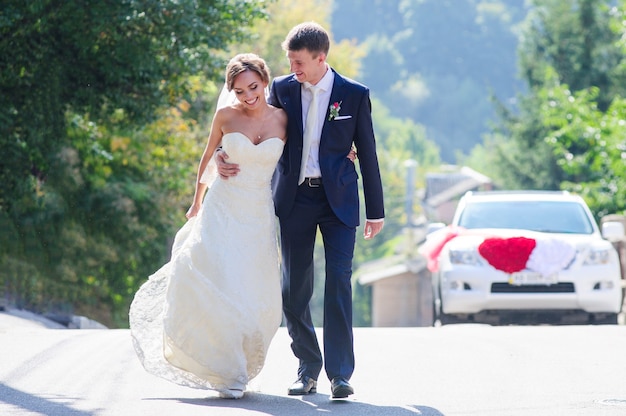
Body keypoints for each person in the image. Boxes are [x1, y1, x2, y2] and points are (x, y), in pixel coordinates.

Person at [216, 22, 385, 399]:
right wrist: (220, 152)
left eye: (298, 62)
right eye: (290, 60)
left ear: (320, 58)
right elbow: (248, 123)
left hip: (338, 200)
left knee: (339, 282)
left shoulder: (353, 94)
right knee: (295, 287)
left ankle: (340, 374)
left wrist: (376, 210)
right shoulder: (282, 88)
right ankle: (308, 367)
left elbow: (368, 152)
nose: (293, 68)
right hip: (295, 198)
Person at [129, 53, 287, 400]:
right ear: (230, 90)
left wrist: (347, 151)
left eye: (253, 87)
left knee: (257, 290)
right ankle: (229, 369)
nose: (248, 96)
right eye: (239, 90)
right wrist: (197, 199)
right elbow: (208, 153)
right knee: (220, 280)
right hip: (223, 206)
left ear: (264, 80)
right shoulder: (226, 116)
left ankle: (243, 359)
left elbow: (309, 150)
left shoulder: (283, 119)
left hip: (258, 213)